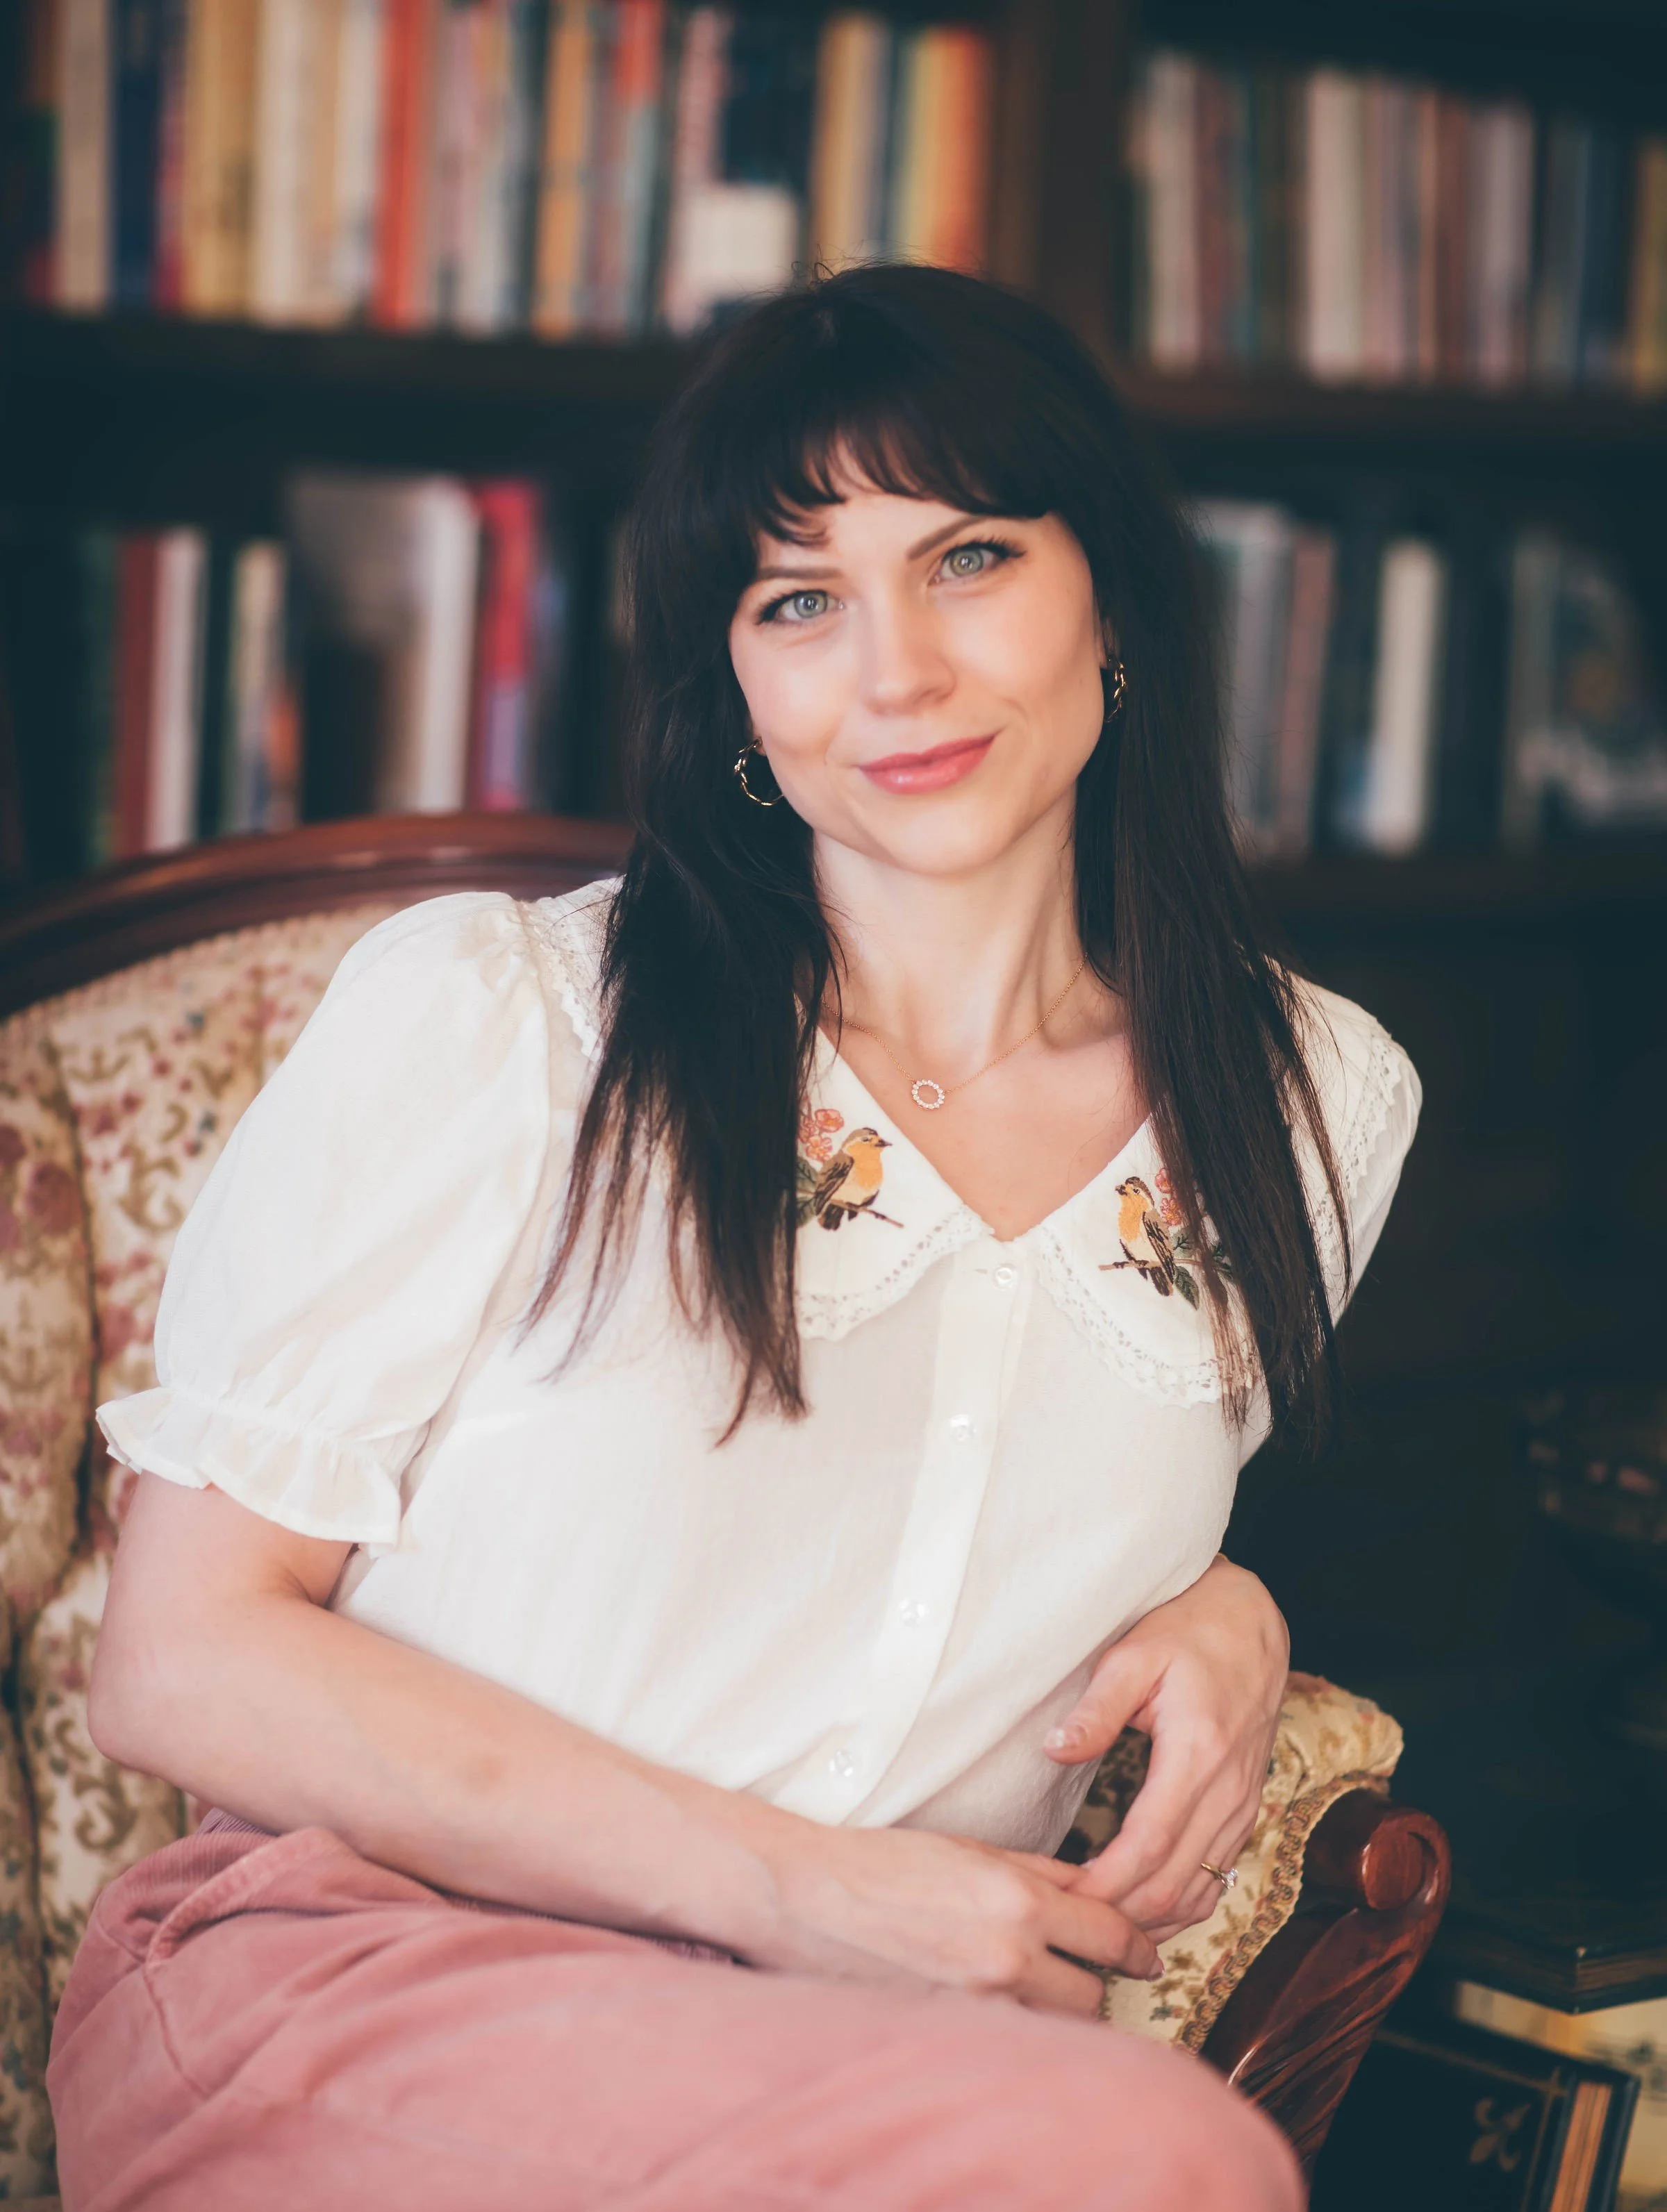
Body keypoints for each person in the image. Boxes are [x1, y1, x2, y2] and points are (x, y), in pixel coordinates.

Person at [49, 263, 1419, 2210]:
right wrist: (822, 1897)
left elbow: (1024, 1497)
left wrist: (1234, 1603)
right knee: (1151, 2162)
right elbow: (179, 1663)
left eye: (970, 560)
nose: (899, 674)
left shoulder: (1310, 1104)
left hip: (859, 2067)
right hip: (349, 1989)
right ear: (740, 697)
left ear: (1111, 598)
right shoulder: (503, 1024)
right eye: (801, 600)